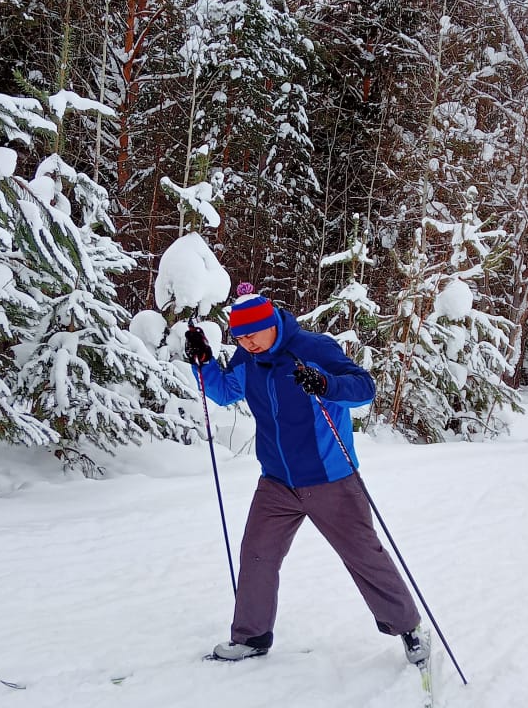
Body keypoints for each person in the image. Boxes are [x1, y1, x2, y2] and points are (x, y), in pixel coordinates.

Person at [184, 283, 429, 665]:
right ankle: (252, 636)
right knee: (257, 555)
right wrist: (204, 363)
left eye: (252, 335)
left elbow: (364, 389)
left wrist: (326, 384)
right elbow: (226, 391)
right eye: (239, 337)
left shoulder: (314, 348)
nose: (246, 343)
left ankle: (409, 628)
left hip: (330, 478)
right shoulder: (246, 359)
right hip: (277, 481)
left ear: (271, 325)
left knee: (363, 556)